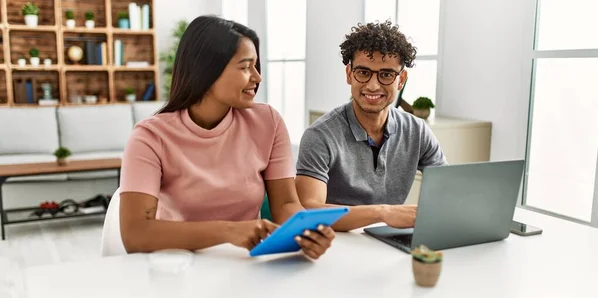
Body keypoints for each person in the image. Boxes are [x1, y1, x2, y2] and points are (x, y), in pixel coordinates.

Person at [118, 15, 335, 260]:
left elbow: (285, 205)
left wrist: (306, 232)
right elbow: (135, 234)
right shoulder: (150, 136)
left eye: (256, 66)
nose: (257, 77)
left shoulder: (268, 122)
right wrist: (228, 231)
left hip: (246, 262)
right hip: (177, 264)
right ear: (206, 71)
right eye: (245, 67)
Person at [295, 20, 447, 232]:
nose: (373, 85)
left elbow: (447, 193)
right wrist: (382, 212)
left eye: (386, 75)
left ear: (401, 80)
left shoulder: (417, 131)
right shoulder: (320, 135)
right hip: (337, 245)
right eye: (363, 72)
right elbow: (309, 210)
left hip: (389, 243)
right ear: (349, 74)